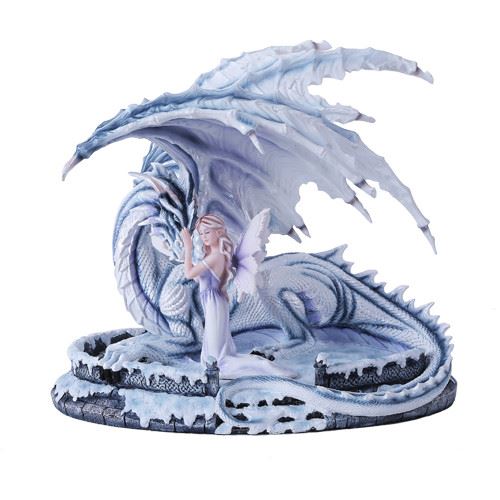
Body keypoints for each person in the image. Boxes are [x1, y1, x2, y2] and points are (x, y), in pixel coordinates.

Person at [180, 213, 297, 380]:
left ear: (218, 232)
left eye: (207, 232)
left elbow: (189, 273)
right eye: (201, 233)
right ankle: (261, 365)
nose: (203, 236)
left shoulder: (215, 256)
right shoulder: (212, 255)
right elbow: (200, 278)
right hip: (214, 302)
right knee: (214, 354)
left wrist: (188, 248)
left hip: (214, 304)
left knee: (218, 360)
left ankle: (265, 367)